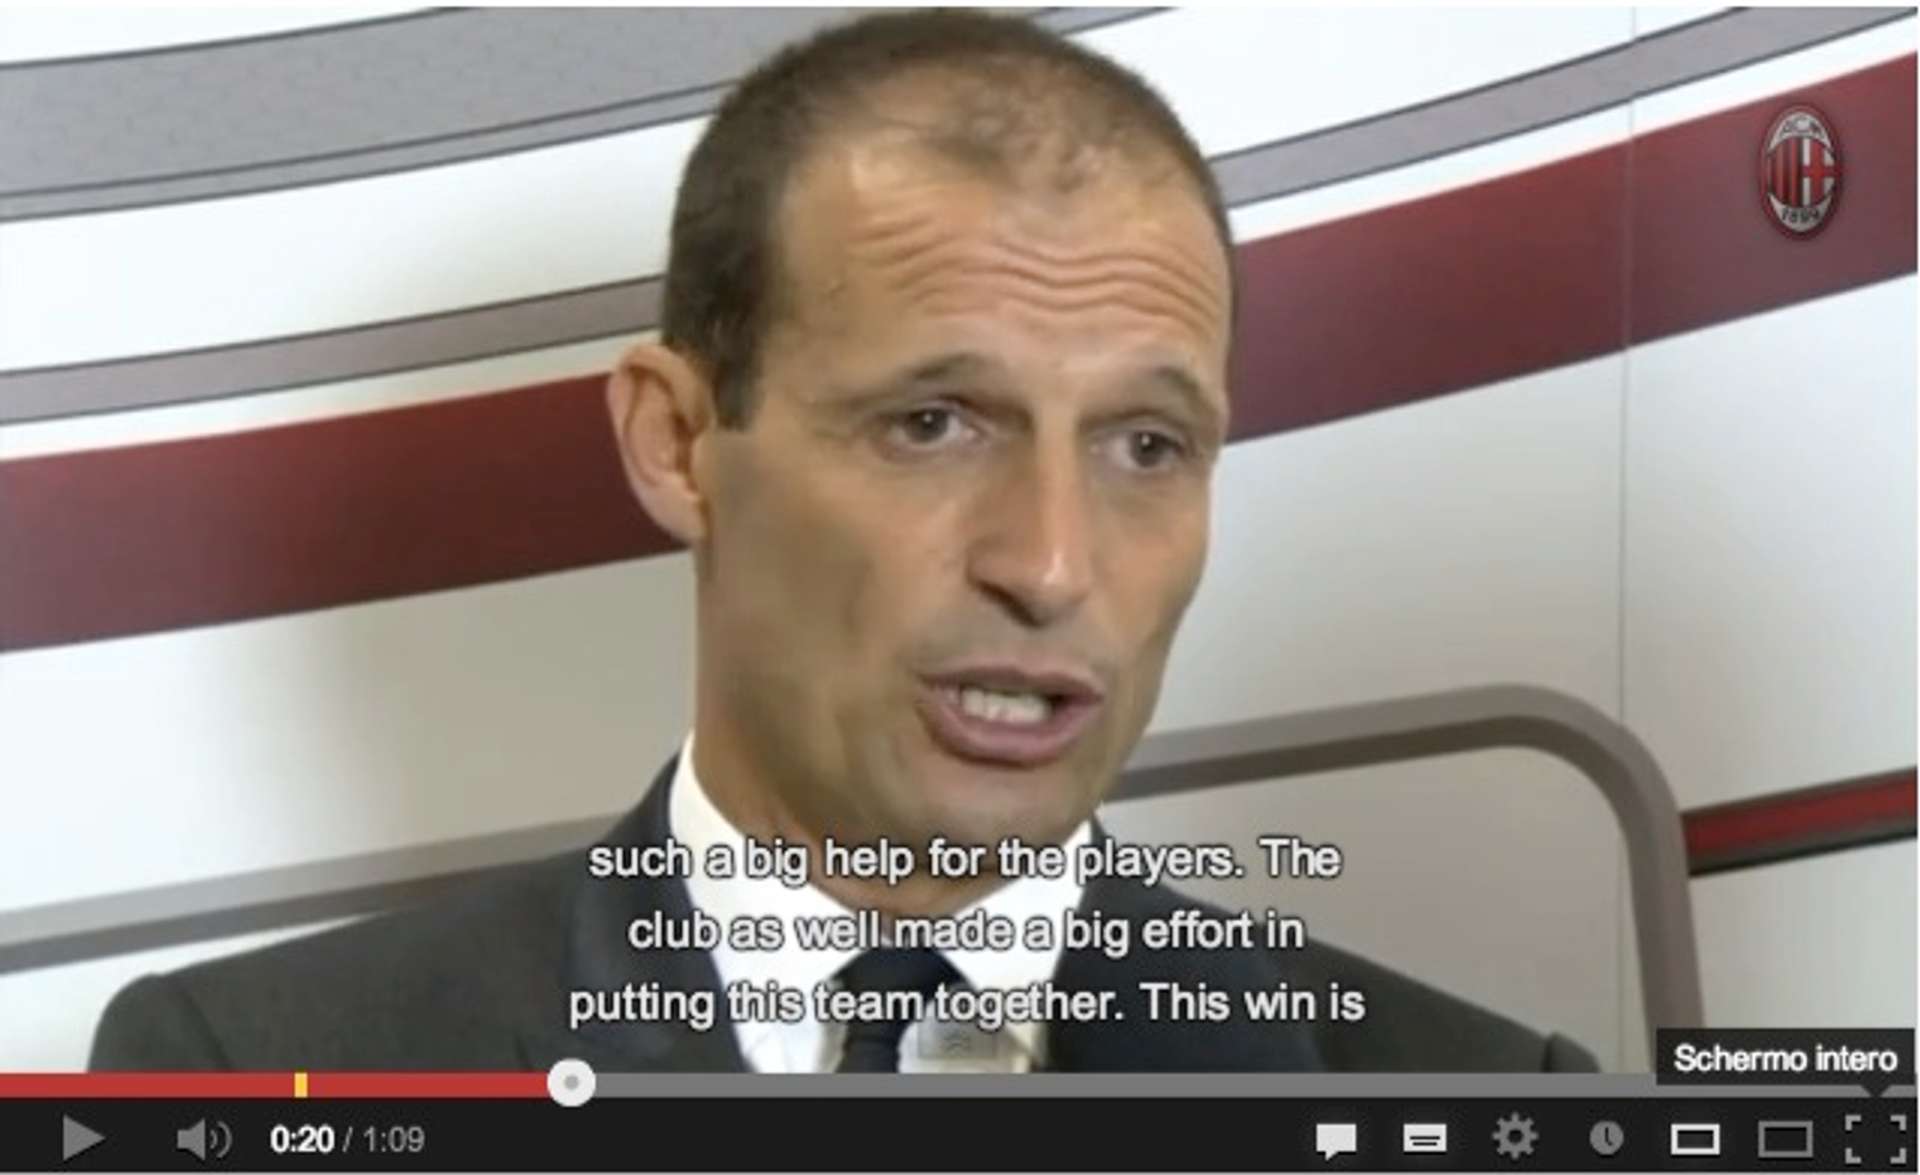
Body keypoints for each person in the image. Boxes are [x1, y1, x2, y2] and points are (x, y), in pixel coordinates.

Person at [90, 10, 1596, 1074]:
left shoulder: (1475, 1096)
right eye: (934, 423)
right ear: (678, 442)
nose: (1052, 566)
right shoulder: (253, 1074)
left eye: (1147, 445)